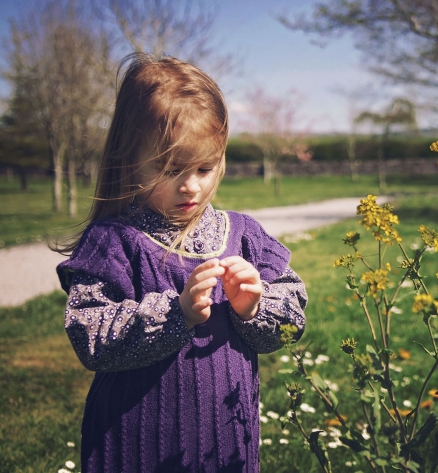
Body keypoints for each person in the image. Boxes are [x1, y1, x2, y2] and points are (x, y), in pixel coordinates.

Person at [55, 54, 307, 472]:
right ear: (129, 158)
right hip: (136, 442)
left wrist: (255, 307)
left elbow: (293, 315)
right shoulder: (114, 241)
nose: (191, 185)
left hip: (226, 440)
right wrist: (177, 312)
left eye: (205, 167)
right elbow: (89, 335)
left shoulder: (243, 234)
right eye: (170, 169)